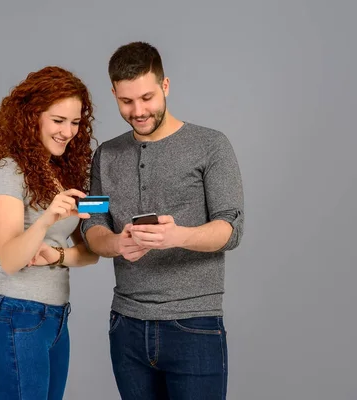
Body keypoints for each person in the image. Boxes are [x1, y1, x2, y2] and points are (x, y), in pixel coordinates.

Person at [81, 42, 244, 399]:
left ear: (165, 85)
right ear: (113, 94)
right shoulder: (104, 154)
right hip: (126, 324)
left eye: (147, 97)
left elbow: (231, 228)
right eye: (126, 101)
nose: (138, 111)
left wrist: (177, 236)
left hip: (194, 323)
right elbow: (90, 223)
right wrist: (115, 244)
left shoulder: (212, 145)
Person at [0, 66, 99, 400]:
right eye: (58, 120)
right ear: (32, 116)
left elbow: (90, 253)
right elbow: (10, 257)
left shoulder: (61, 173)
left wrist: (57, 255)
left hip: (55, 318)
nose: (68, 132)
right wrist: (47, 219)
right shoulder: (8, 172)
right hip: (18, 317)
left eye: (75, 122)